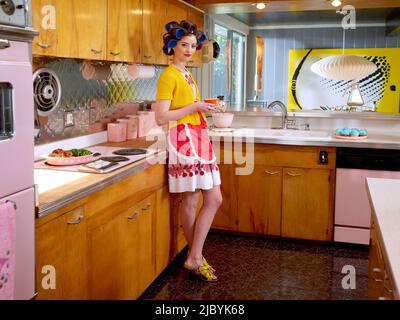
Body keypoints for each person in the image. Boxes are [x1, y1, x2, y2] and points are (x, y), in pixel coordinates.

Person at [155, 20, 222, 282]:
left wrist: (202, 106)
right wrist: (195, 107)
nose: (189, 49)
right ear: (172, 46)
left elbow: (188, 105)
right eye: (184, 45)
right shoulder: (168, 75)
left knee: (213, 198)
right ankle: (195, 258)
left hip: (198, 136)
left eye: (193, 46)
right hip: (183, 139)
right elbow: (161, 117)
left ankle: (195, 256)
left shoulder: (186, 73)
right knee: (193, 201)